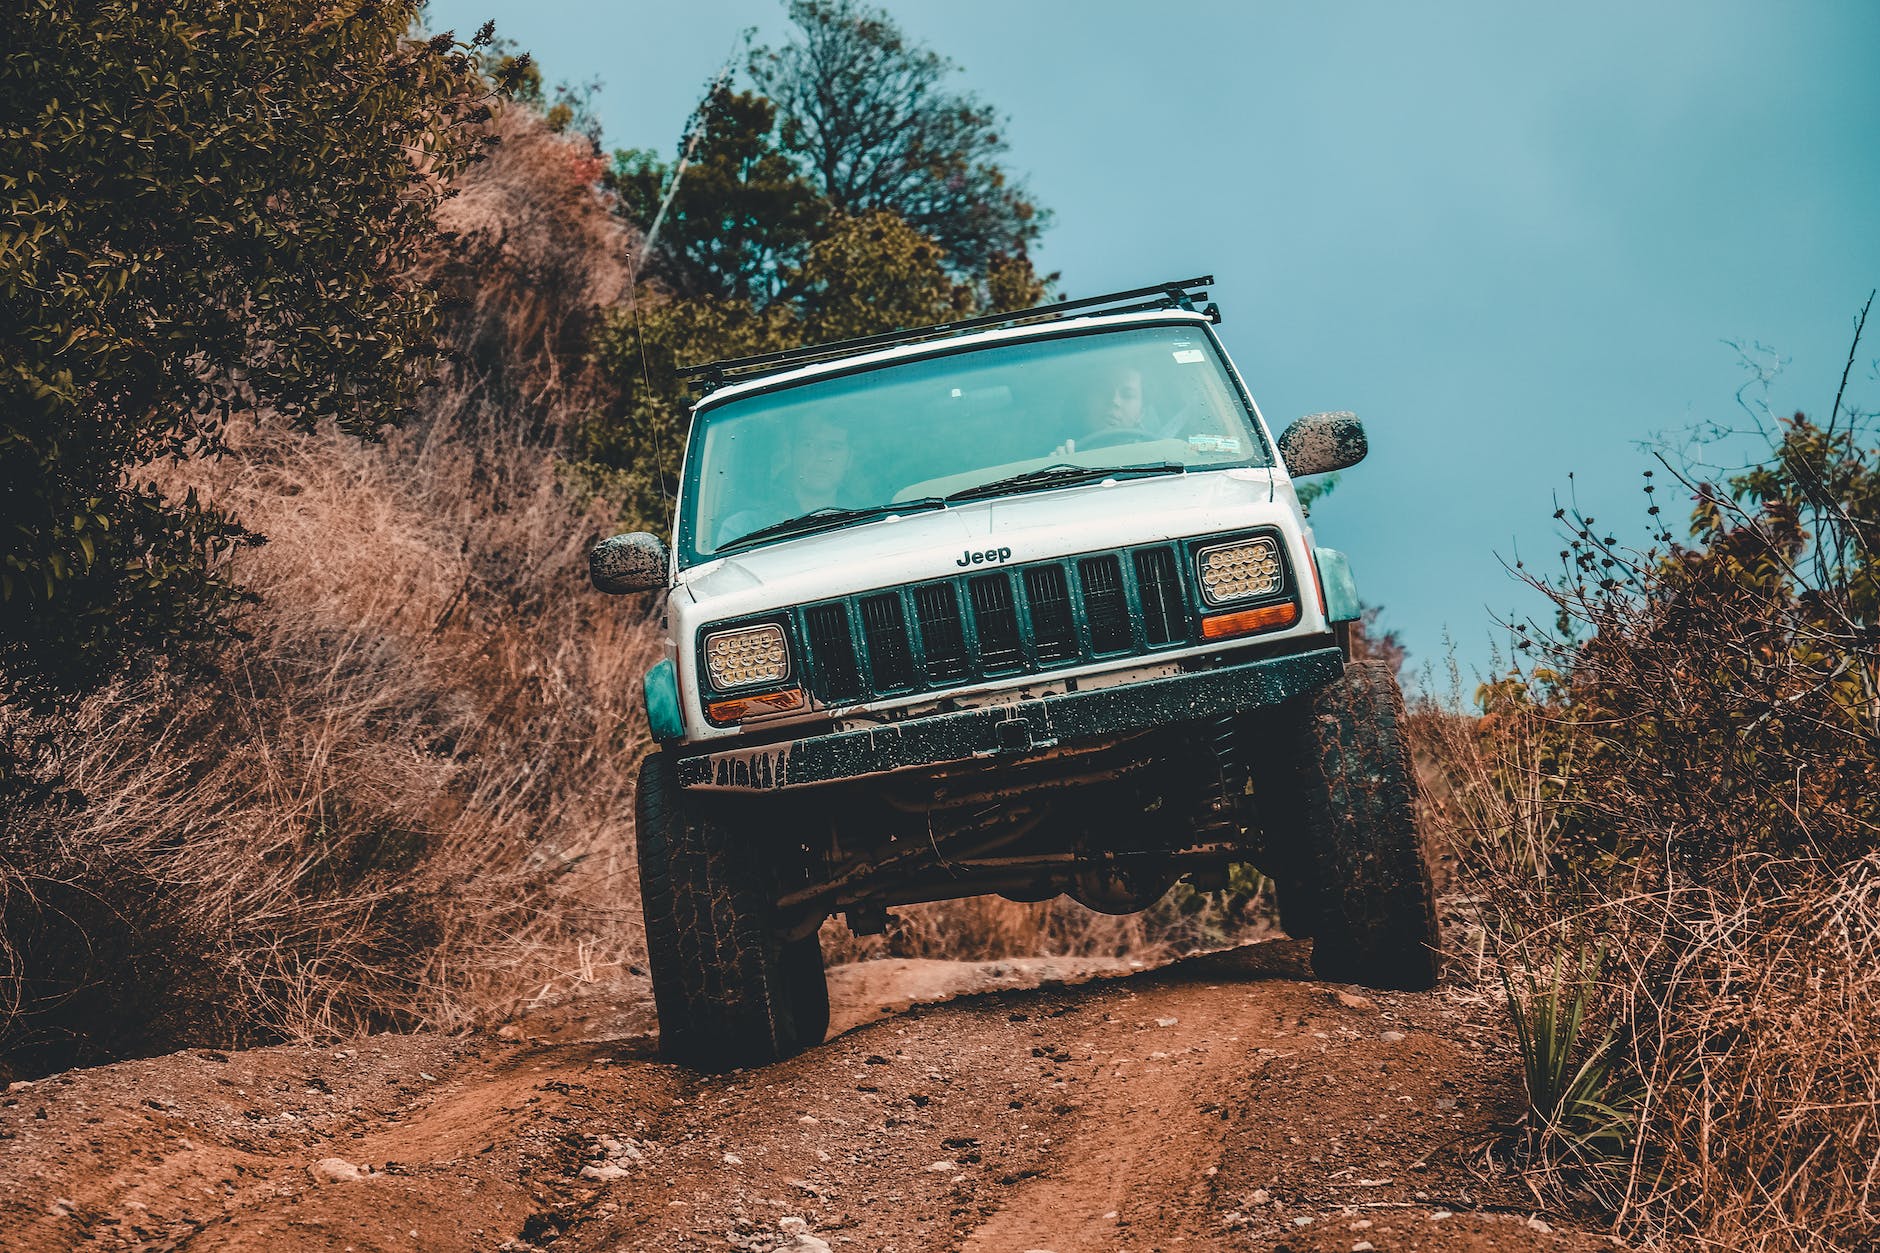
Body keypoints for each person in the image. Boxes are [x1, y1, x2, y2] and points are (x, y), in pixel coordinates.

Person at [714, 412, 855, 548]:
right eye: (809, 444)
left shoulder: (872, 519)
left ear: (849, 459)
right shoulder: (744, 529)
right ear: (791, 452)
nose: (821, 456)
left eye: (834, 447)